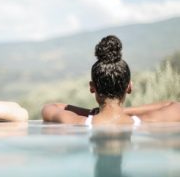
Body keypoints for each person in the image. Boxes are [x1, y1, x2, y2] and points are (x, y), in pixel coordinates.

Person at [42, 35, 180, 126]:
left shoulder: (78, 122)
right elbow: (173, 104)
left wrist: (94, 113)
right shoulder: (144, 122)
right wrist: (123, 111)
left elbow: (51, 107)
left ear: (92, 87)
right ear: (129, 87)